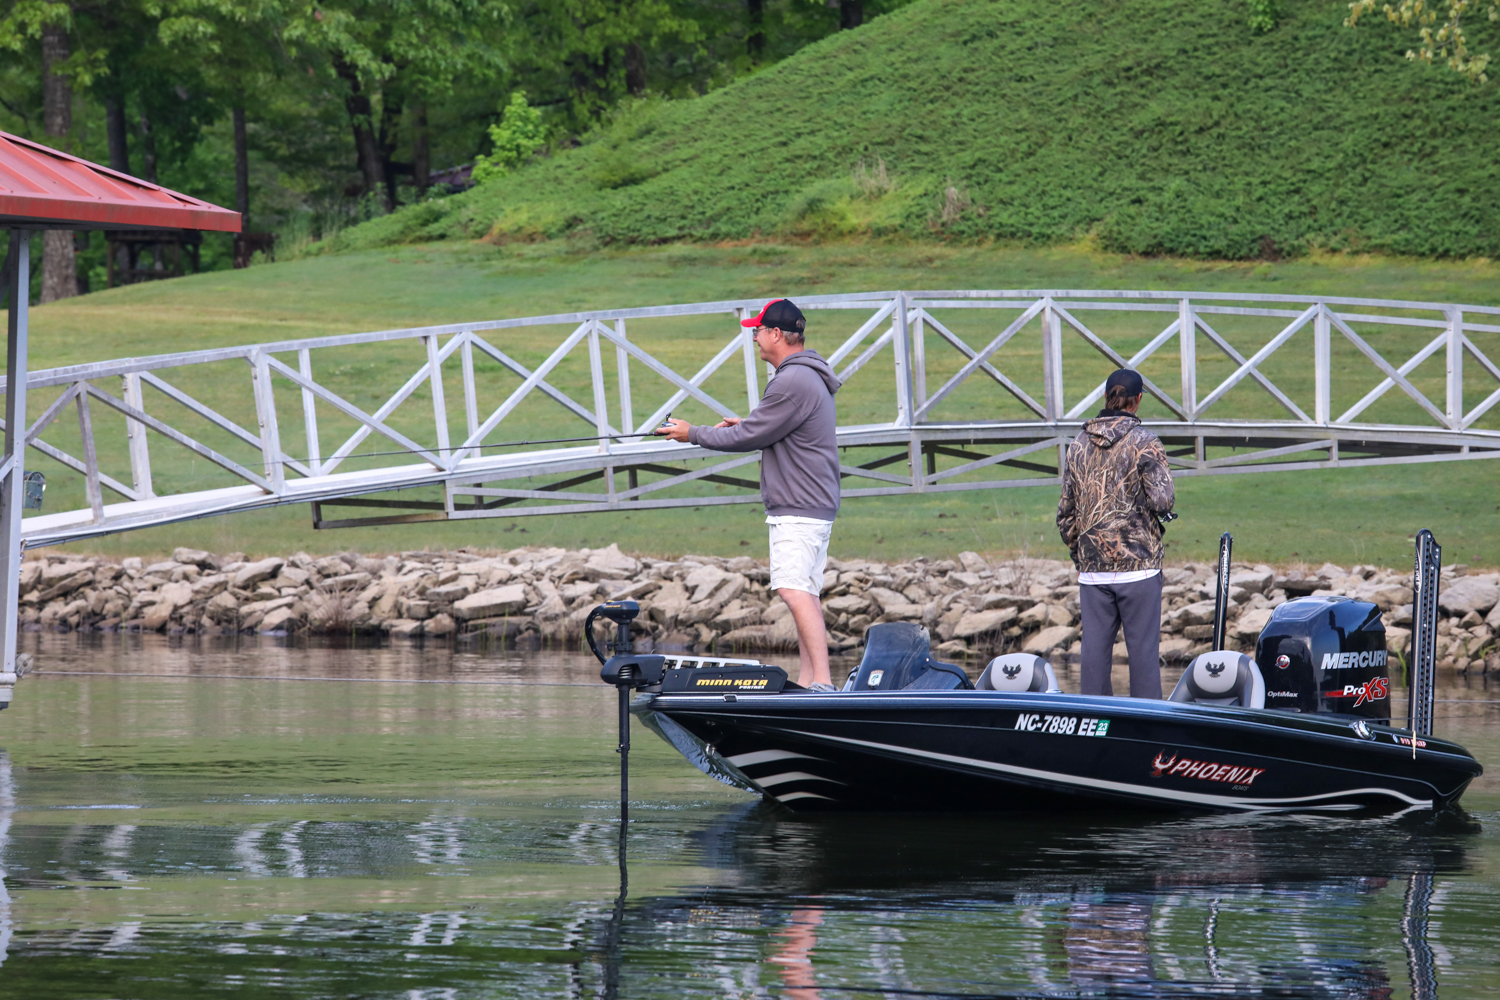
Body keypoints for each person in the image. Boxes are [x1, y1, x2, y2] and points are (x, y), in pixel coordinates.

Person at [657, 299, 842, 691]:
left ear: (776, 334)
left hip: (798, 506)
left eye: (757, 330)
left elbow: (750, 437)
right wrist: (750, 423)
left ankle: (823, 685)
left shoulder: (791, 380)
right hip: (812, 503)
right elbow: (772, 427)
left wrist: (692, 433)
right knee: (804, 591)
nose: (754, 337)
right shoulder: (806, 375)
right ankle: (809, 682)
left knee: (792, 590)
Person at [1056, 368, 1175, 698]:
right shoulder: (1146, 443)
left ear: (1106, 398)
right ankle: (1147, 726)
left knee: (1093, 661)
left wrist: (1081, 554)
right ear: (1138, 401)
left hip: (1092, 573)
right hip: (1140, 569)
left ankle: (1095, 726)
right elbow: (1163, 500)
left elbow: (1065, 515)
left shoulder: (1077, 445)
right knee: (1144, 660)